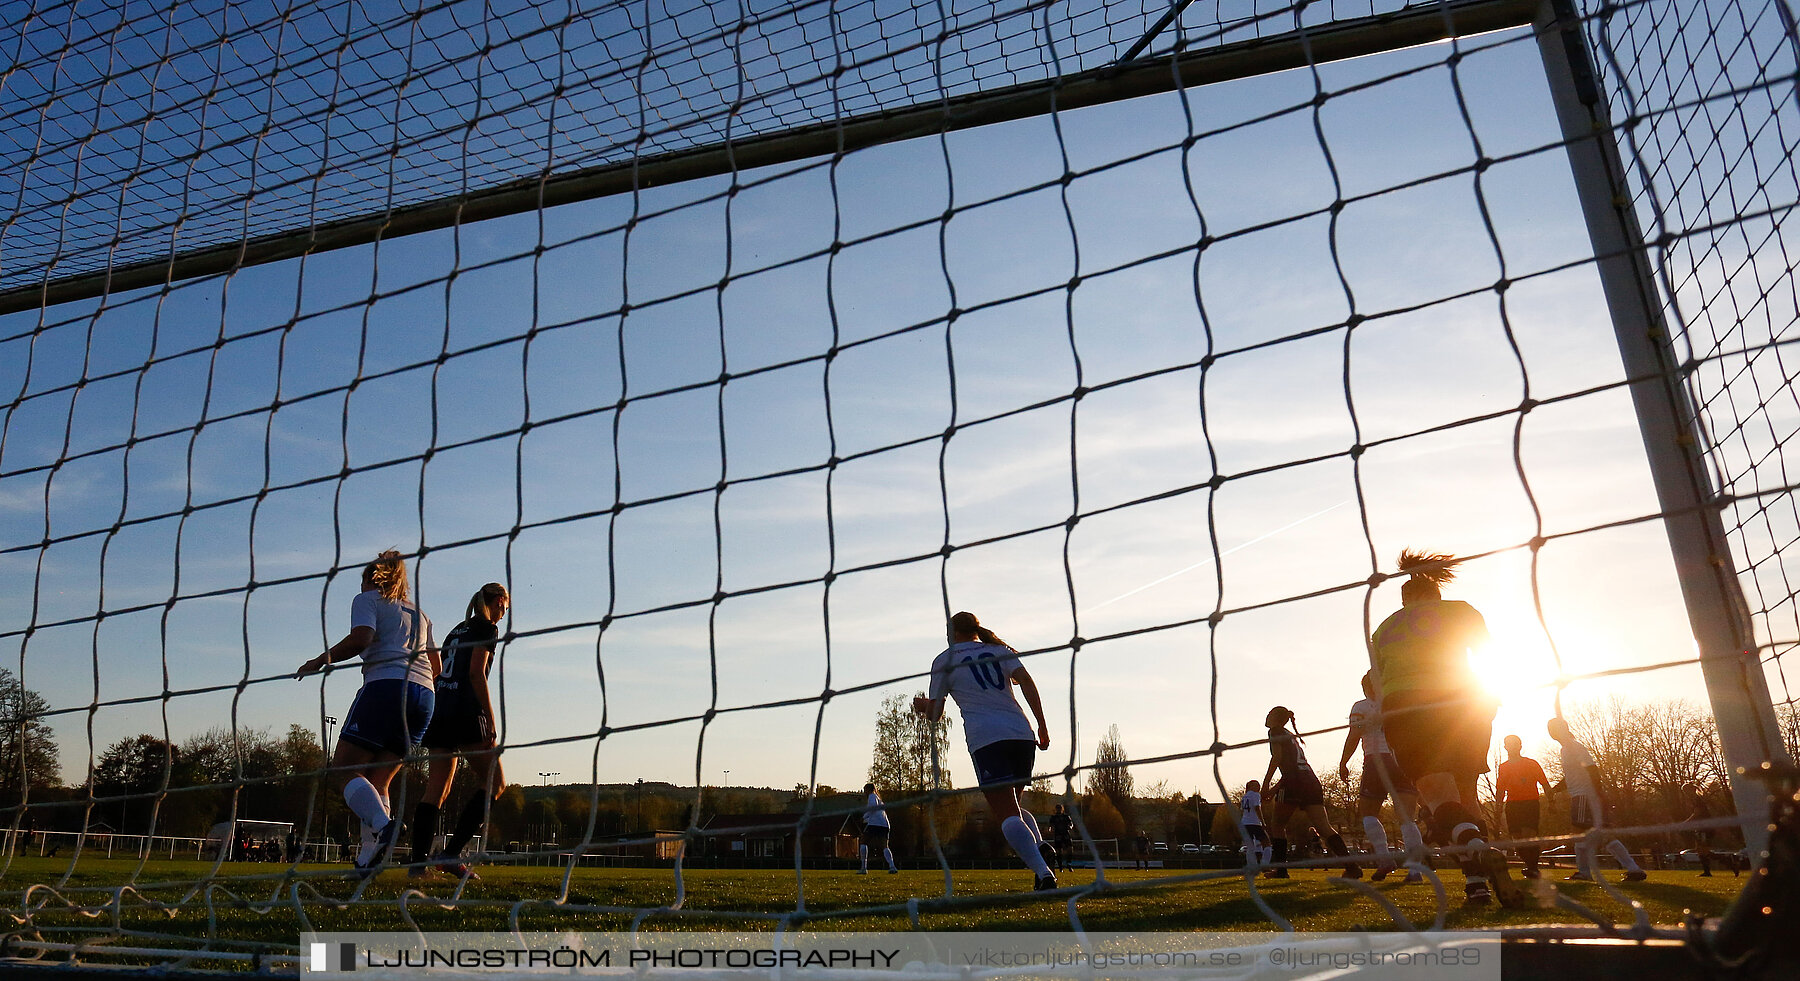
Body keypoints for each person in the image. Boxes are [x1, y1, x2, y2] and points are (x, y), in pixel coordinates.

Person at [1368, 549, 1521, 907]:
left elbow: (1377, 683)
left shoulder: (1384, 628)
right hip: (1464, 703)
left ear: (1404, 596)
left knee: (1438, 798)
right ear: (1437, 592)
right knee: (1467, 796)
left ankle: (1476, 854)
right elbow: (1490, 657)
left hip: (1407, 709)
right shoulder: (1463, 610)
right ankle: (1478, 884)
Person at [296, 550, 438, 876]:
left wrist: (320, 660)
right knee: (379, 781)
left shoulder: (368, 599)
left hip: (386, 687)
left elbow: (362, 638)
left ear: (371, 579)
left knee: (344, 766)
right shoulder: (421, 615)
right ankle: (367, 861)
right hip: (424, 696)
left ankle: (384, 826)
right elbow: (437, 665)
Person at [913, 611, 1057, 890]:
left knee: (1006, 815)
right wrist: (1042, 725)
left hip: (987, 738)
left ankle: (1044, 874)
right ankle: (1039, 845)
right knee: (1012, 805)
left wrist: (922, 706)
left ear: (953, 633)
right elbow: (1026, 681)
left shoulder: (945, 661)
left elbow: (936, 713)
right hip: (1020, 734)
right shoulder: (998, 651)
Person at [411, 582, 510, 879]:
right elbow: (476, 673)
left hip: (440, 709)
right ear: (496, 602)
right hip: (466, 711)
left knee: (435, 792)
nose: (504, 613)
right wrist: (490, 717)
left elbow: (439, 669)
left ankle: (417, 867)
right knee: (496, 783)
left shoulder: (458, 629)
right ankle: (451, 854)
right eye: (504, 606)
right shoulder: (486, 629)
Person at [1337, 671, 1424, 882]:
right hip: (1402, 760)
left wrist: (1343, 762)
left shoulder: (1362, 706)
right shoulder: (1397, 705)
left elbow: (1354, 735)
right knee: (1406, 818)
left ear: (1365, 687)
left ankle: (1385, 859)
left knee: (1368, 813)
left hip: (1376, 760)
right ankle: (1415, 871)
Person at [1261, 706, 1358, 879]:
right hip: (1310, 780)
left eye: (1269, 714)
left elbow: (1277, 758)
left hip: (1294, 782)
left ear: (1275, 718)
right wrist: (1274, 789)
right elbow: (1291, 767)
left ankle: (1281, 870)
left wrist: (1266, 784)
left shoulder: (1275, 732)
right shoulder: (1290, 735)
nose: (1266, 717)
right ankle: (1351, 867)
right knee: (1323, 827)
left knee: (1277, 825)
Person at [1546, 716, 1647, 882]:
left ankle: (1584, 873)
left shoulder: (1573, 746)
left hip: (1583, 796)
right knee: (1603, 835)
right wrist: (1555, 789)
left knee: (1579, 834)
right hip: (1584, 796)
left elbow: (1592, 769)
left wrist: (1598, 795)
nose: (1551, 732)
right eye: (1550, 729)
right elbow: (1571, 775)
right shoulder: (1565, 749)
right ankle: (1634, 869)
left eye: (1554, 728)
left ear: (1564, 728)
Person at [1495, 734, 1553, 879]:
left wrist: (1552, 802)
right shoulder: (1503, 767)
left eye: (1515, 744)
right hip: (1512, 805)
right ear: (1505, 747)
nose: (1512, 747)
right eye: (1508, 744)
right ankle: (1530, 866)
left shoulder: (1531, 764)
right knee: (1517, 839)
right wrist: (1498, 807)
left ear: (1520, 746)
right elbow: (1500, 790)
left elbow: (1545, 784)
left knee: (1529, 836)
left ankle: (1533, 868)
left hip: (1530, 803)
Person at [859, 783, 899, 874]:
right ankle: (892, 866)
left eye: (865, 790)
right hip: (884, 824)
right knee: (885, 846)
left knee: (863, 842)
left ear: (868, 790)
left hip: (874, 824)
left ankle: (863, 868)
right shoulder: (878, 798)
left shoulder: (872, 797)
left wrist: (864, 817)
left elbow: (873, 809)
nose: (864, 793)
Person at [1239, 780, 1271, 869]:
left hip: (1245, 823)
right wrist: (1263, 822)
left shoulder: (1244, 797)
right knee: (1267, 843)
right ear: (1250, 786)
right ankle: (1265, 864)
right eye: (1256, 785)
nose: (1258, 787)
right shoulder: (1255, 795)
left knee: (1250, 846)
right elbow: (1257, 808)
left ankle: (1251, 866)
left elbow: (1243, 810)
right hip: (1255, 823)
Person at [1047, 803, 1074, 870]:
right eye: (1057, 808)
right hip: (1058, 835)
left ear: (1062, 809)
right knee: (1059, 850)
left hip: (1065, 834)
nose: (1059, 810)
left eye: (1060, 808)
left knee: (1069, 848)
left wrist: (1070, 827)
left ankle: (1069, 863)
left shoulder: (1066, 817)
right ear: (1056, 809)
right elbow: (1050, 825)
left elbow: (1071, 824)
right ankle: (1060, 866)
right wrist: (1050, 829)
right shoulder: (1053, 817)